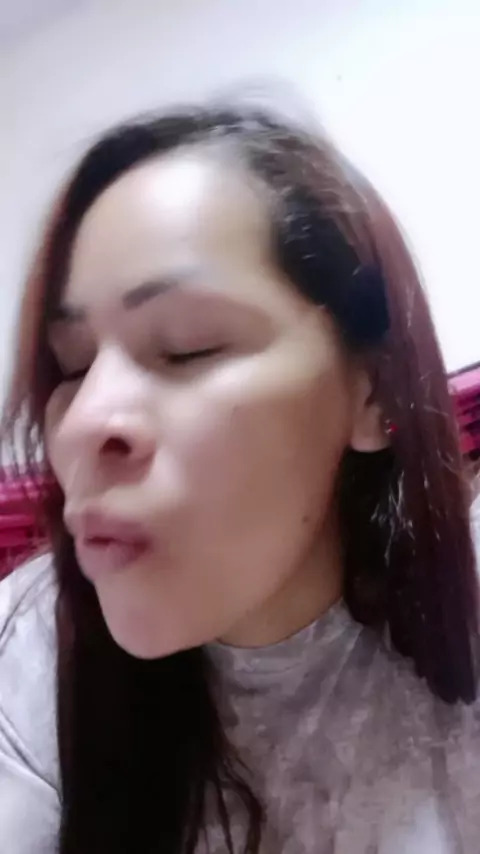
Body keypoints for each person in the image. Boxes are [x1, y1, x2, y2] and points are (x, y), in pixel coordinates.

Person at [0, 103, 479, 854]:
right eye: (72, 365)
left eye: (186, 347)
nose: (85, 421)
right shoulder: (24, 651)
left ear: (377, 392)